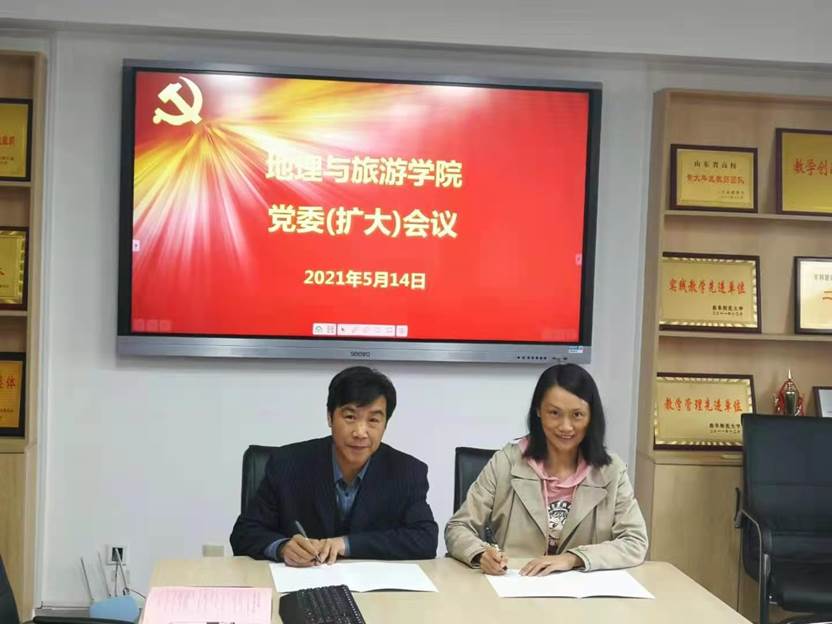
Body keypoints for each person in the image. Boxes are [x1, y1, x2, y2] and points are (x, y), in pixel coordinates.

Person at [445, 363, 648, 576]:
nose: (566, 426)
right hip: (517, 584)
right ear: (538, 411)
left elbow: (635, 541)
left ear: (591, 417)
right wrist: (481, 554)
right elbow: (458, 527)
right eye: (554, 413)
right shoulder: (506, 462)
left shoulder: (611, 471)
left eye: (577, 415)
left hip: (583, 592)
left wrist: (574, 558)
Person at [230, 366, 438, 565]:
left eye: (373, 420)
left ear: (385, 424)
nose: (360, 432)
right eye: (350, 417)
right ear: (330, 417)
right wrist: (282, 548)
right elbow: (244, 532)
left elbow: (425, 539)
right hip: (303, 581)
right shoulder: (286, 463)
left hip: (374, 586)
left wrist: (346, 544)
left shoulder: (407, 471)